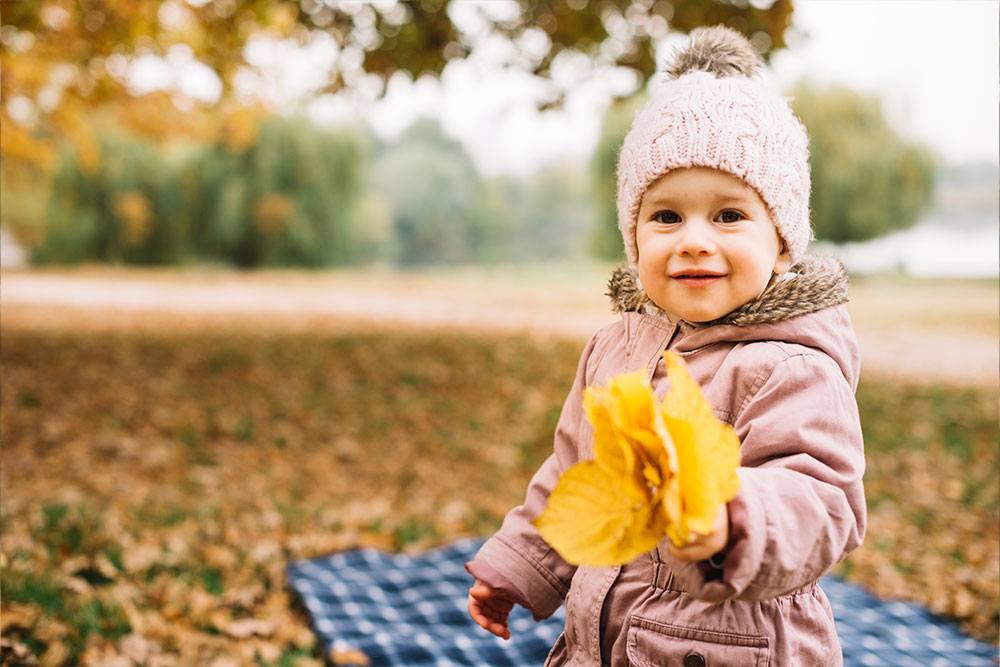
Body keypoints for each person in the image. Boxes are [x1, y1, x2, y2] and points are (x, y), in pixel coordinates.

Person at [465, 25, 866, 666]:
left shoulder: (789, 365)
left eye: (729, 216)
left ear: (782, 241)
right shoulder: (615, 347)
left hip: (732, 644)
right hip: (608, 637)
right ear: (635, 235)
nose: (694, 240)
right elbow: (575, 474)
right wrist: (522, 567)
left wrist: (731, 521)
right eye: (667, 216)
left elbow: (820, 500)